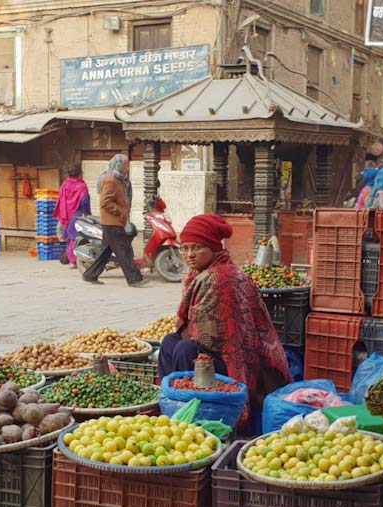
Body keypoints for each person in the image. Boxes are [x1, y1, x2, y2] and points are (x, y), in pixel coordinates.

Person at [158, 214, 292, 429]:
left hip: (239, 363)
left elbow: (207, 337)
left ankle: (194, 417)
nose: (189, 255)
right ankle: (172, 404)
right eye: (185, 248)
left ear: (214, 248)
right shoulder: (202, 273)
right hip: (219, 354)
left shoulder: (219, 277)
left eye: (198, 248)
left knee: (184, 349)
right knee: (169, 343)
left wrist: (186, 336)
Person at [82, 154, 145, 287]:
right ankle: (134, 279)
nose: (127, 168)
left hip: (115, 221)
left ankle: (90, 275)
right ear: (118, 165)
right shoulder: (111, 180)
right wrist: (120, 212)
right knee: (124, 250)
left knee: (106, 251)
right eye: (125, 165)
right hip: (112, 222)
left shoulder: (119, 179)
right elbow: (105, 202)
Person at [54, 164, 91, 266]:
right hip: (78, 214)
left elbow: (60, 200)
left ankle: (72, 260)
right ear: (80, 174)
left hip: (66, 214)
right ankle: (74, 260)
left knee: (70, 237)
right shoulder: (82, 185)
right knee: (77, 237)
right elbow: (84, 201)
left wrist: (63, 214)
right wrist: (87, 213)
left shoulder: (64, 184)